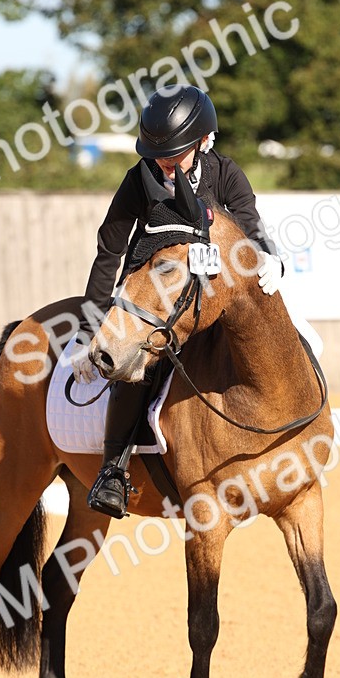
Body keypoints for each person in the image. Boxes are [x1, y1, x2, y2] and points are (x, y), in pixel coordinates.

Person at [73, 84, 283, 518]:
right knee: (136, 364)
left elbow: (250, 225)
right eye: (157, 155)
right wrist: (86, 330)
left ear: (204, 141)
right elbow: (109, 251)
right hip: (152, 297)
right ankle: (113, 471)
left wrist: (271, 258)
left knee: (286, 339)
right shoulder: (138, 178)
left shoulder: (225, 172)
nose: (164, 163)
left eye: (175, 154)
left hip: (212, 295)